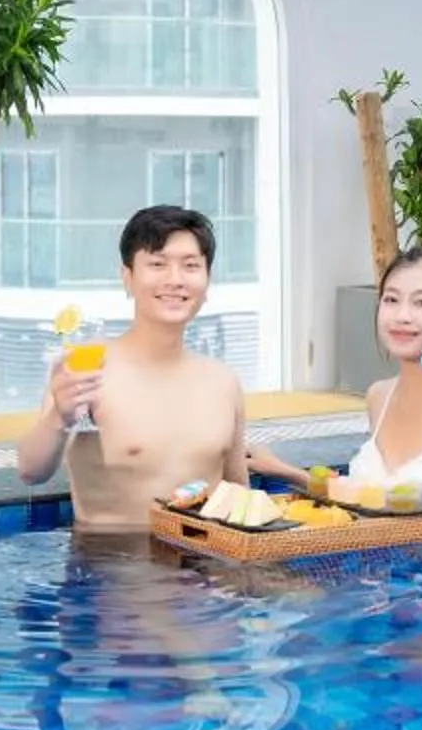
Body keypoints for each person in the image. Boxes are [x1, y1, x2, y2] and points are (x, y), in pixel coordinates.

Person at [257, 244, 422, 539]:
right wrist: (284, 471)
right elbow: (374, 497)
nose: (402, 316)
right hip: (387, 574)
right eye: (391, 300)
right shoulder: (379, 397)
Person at [14, 204, 248, 534]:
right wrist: (59, 419)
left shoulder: (223, 382)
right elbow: (30, 471)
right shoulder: (89, 369)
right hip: (113, 568)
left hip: (205, 568)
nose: (175, 280)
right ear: (128, 277)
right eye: (157, 264)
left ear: (207, 281)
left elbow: (239, 494)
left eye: (191, 266)